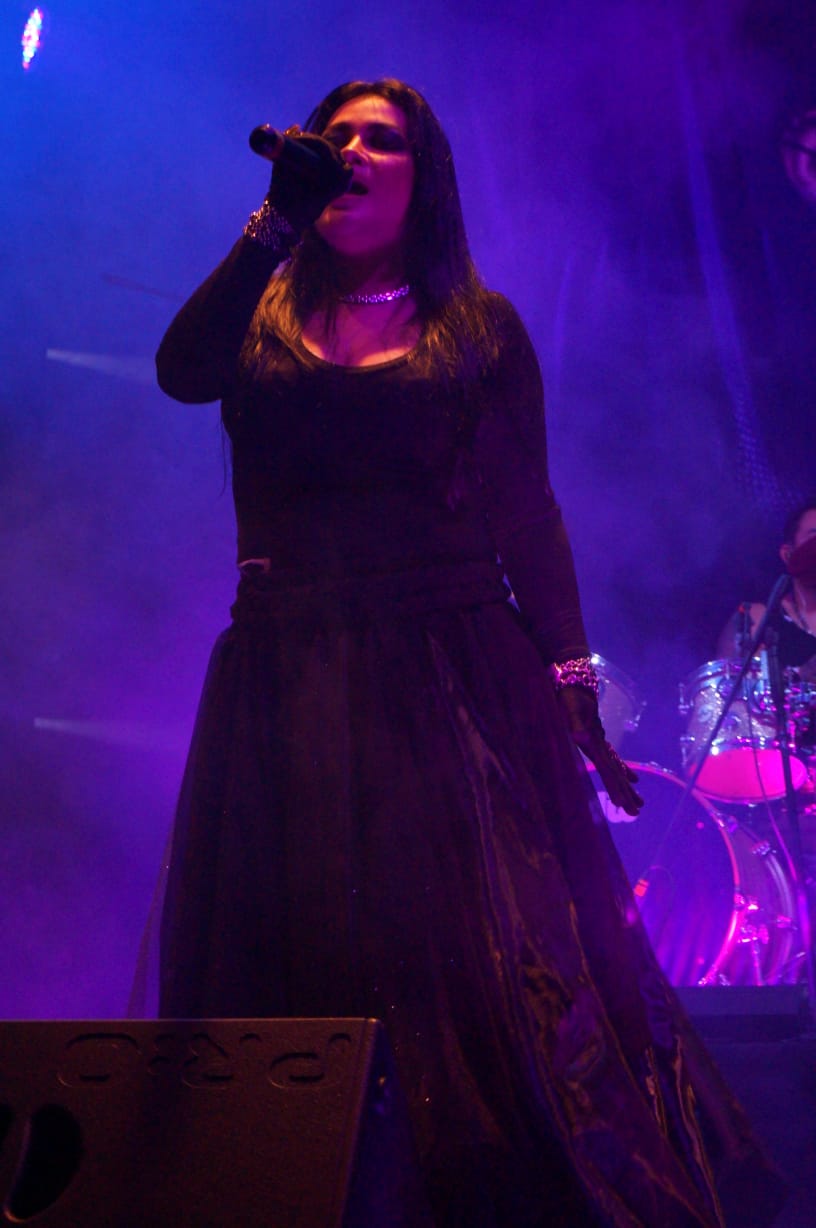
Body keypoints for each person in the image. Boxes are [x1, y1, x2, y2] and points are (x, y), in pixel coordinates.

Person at [153, 78, 783, 1227]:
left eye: (380, 140)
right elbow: (181, 371)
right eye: (336, 135)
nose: (351, 152)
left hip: (449, 668)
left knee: (483, 963)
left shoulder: (477, 329)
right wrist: (273, 221)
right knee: (295, 945)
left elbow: (526, 514)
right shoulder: (262, 309)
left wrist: (570, 679)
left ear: (424, 176)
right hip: (289, 666)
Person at [717, 500, 816, 681]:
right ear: (788, 554)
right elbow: (728, 690)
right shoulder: (756, 619)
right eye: (814, 536)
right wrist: (801, 675)